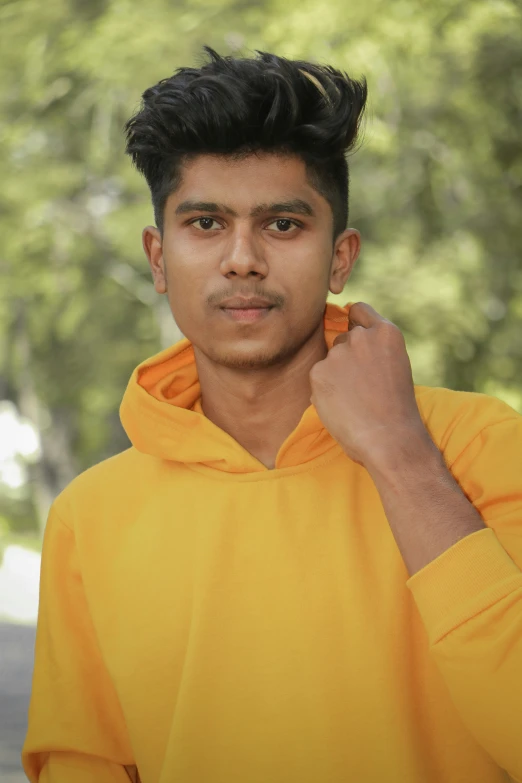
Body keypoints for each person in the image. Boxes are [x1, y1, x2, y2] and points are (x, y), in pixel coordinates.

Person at [22, 47, 522, 783]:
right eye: (205, 223)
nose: (243, 259)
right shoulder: (90, 517)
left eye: (283, 225)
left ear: (340, 257)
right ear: (158, 258)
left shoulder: (481, 447)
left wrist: (400, 453)